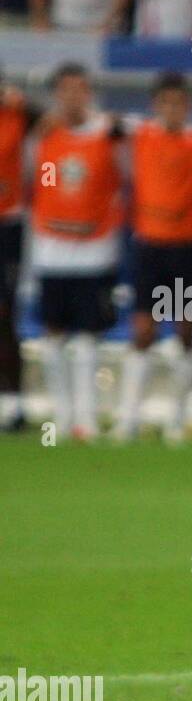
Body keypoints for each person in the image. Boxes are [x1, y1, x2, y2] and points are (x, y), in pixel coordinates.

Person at [114, 72, 192, 444]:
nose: (173, 109)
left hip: (189, 247)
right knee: (143, 330)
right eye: (166, 103)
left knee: (185, 333)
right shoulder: (140, 133)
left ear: (188, 106)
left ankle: (177, 419)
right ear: (156, 106)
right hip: (149, 246)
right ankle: (128, 418)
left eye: (179, 103)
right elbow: (101, 123)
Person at [30, 64, 126, 442]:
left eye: (80, 89)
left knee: (88, 337)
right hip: (51, 249)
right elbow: (43, 182)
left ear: (89, 94)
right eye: (66, 90)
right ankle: (60, 415)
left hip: (95, 250)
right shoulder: (44, 137)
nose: (73, 96)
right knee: (53, 335)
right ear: (57, 94)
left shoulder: (109, 133)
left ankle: (84, 419)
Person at [0, 76, 40, 433]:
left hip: (8, 225)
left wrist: (21, 102)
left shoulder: (16, 115)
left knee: (4, 313)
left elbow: (47, 119)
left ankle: (13, 403)